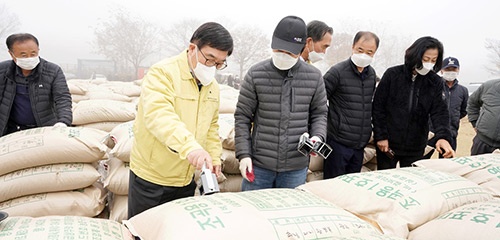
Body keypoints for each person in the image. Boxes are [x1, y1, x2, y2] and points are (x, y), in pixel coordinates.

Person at [128, 22, 233, 218]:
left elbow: (211, 126)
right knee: (146, 230)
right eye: (209, 58)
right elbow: (159, 115)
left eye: (220, 63)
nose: (213, 67)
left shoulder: (213, 87)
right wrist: (191, 148)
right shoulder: (163, 73)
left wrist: (214, 156)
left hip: (185, 178)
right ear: (193, 48)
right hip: (152, 177)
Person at [235, 15, 327, 191]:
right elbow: (242, 117)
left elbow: (320, 113)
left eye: (289, 52)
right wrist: (244, 154)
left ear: (302, 48)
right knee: (254, 212)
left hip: (295, 167)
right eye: (279, 50)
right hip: (259, 164)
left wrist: (318, 136)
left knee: (288, 213)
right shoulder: (256, 74)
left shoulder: (314, 77)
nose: (283, 56)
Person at [372, 36, 455, 170]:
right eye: (426, 59)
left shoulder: (435, 82)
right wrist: (381, 136)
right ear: (415, 55)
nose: (429, 64)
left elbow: (440, 112)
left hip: (416, 145)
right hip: (388, 143)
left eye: (433, 60)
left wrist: (443, 137)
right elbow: (378, 107)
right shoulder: (392, 75)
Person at [323, 31, 379, 179]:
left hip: (359, 145)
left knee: (351, 187)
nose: (364, 55)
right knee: (333, 186)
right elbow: (319, 102)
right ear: (353, 47)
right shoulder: (337, 72)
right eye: (360, 50)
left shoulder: (372, 75)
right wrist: (334, 123)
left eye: (369, 52)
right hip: (338, 143)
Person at [0, 33, 72, 137]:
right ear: (11, 54)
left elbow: (62, 98)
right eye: (23, 55)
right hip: (10, 130)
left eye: (33, 53)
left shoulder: (52, 71)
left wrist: (63, 122)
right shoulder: (3, 71)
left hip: (43, 129)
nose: (29, 58)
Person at [424, 57, 468, 158]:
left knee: (447, 163)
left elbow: (462, 111)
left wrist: (452, 119)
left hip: (450, 133)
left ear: (458, 70)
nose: (451, 72)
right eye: (448, 69)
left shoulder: (463, 90)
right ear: (441, 70)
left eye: (454, 69)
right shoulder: (432, 86)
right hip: (430, 132)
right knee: (421, 161)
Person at [467, 78, 500, 155]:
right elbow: (472, 103)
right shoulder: (488, 86)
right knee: (475, 166)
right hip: (482, 141)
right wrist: (474, 122)